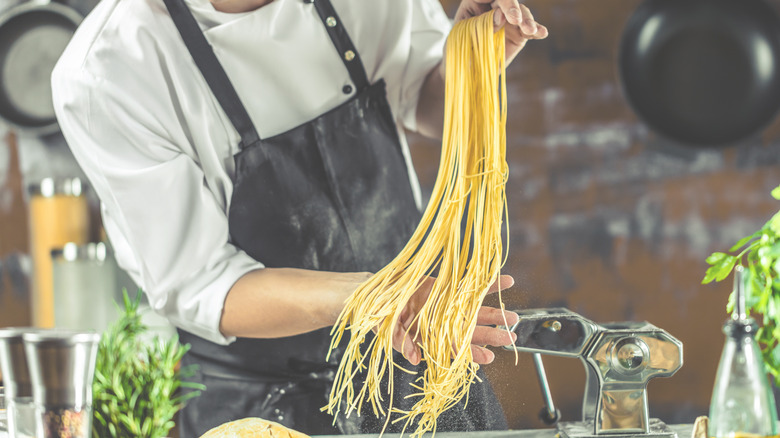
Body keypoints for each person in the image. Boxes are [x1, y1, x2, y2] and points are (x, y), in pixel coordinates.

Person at [52, 0, 548, 435]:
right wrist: (371, 298)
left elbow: (423, 100)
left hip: (418, 359)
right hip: (265, 406)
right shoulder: (109, 70)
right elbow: (205, 286)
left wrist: (477, 56)